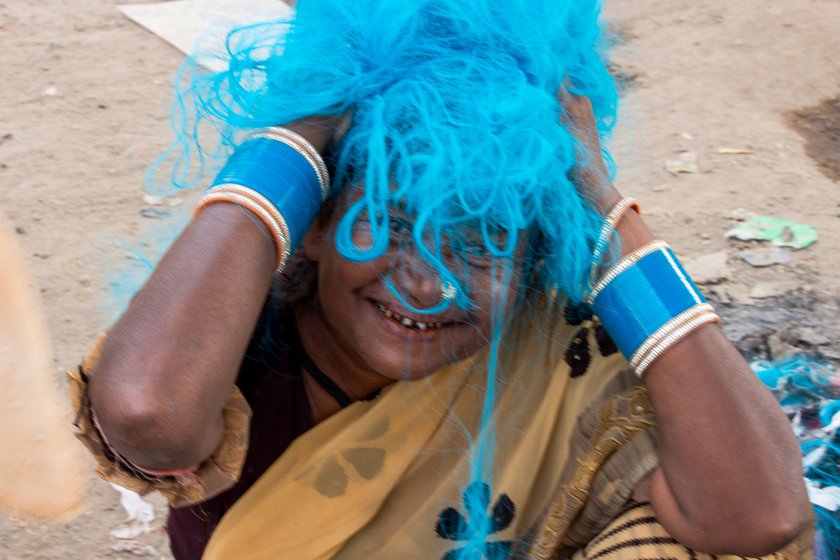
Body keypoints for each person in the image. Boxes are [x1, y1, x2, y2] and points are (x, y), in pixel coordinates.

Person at [70, 1, 812, 558]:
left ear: (532, 263)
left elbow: (761, 517)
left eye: (484, 242)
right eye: (391, 222)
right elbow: (146, 415)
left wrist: (599, 202)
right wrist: (315, 121)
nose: (427, 284)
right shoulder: (232, 336)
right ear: (317, 223)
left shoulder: (556, 343)